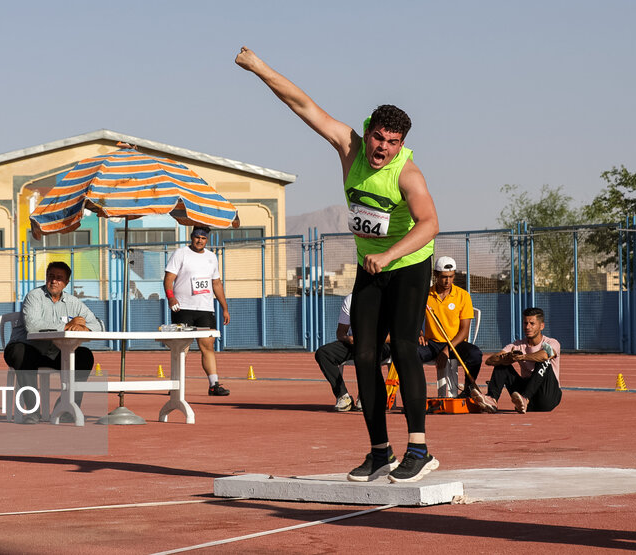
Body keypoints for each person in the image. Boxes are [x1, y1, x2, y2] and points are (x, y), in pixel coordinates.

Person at [237, 47, 440, 483]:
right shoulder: (349, 148)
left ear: (402, 144)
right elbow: (302, 104)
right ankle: (379, 451)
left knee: (404, 347)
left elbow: (430, 223)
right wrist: (258, 67)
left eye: (393, 142)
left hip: (408, 264)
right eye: (378, 138)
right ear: (367, 132)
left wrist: (389, 254)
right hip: (372, 266)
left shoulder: (407, 174)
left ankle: (419, 448)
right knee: (363, 354)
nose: (383, 148)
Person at [4, 261, 101, 424]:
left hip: (55, 352)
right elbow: (33, 326)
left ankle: (66, 406)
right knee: (20, 353)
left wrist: (85, 329)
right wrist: (66, 326)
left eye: (59, 278)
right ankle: (33, 411)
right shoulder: (34, 296)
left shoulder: (73, 302)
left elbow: (97, 325)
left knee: (84, 356)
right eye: (50, 276)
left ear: (66, 282)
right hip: (27, 349)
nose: (54, 281)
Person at [164, 227, 232, 396]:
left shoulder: (211, 257)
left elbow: (216, 283)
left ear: (207, 240)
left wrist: (225, 308)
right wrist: (171, 298)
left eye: (203, 238)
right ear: (191, 237)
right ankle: (176, 385)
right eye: (197, 237)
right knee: (182, 347)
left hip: (205, 309)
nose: (200, 240)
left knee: (208, 346)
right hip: (183, 308)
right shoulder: (181, 254)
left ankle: (213, 384)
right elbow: (168, 279)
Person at [470, 307, 562, 414]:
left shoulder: (551, 342)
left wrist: (523, 357)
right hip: (528, 394)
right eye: (525, 323)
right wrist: (506, 358)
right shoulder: (517, 345)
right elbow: (489, 361)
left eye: (532, 323)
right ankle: (492, 399)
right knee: (501, 363)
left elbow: (545, 355)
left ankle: (525, 398)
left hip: (548, 396)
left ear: (541, 326)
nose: (527, 327)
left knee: (544, 361)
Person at [314, 293, 391, 412]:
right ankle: (343, 396)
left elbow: (395, 335)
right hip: (355, 343)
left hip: (380, 344)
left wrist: (370, 339)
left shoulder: (388, 298)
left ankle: (365, 395)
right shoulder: (351, 299)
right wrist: (348, 339)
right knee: (323, 353)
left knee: (368, 353)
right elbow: (340, 333)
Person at [419, 256, 483, 398]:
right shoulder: (425, 294)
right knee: (410, 355)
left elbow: (464, 330)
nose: (447, 281)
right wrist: (419, 332)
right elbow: (413, 318)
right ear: (435, 274)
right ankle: (417, 395)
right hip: (432, 344)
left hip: (455, 344)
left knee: (475, 354)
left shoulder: (463, 296)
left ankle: (468, 390)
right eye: (443, 277)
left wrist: (447, 350)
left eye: (451, 276)